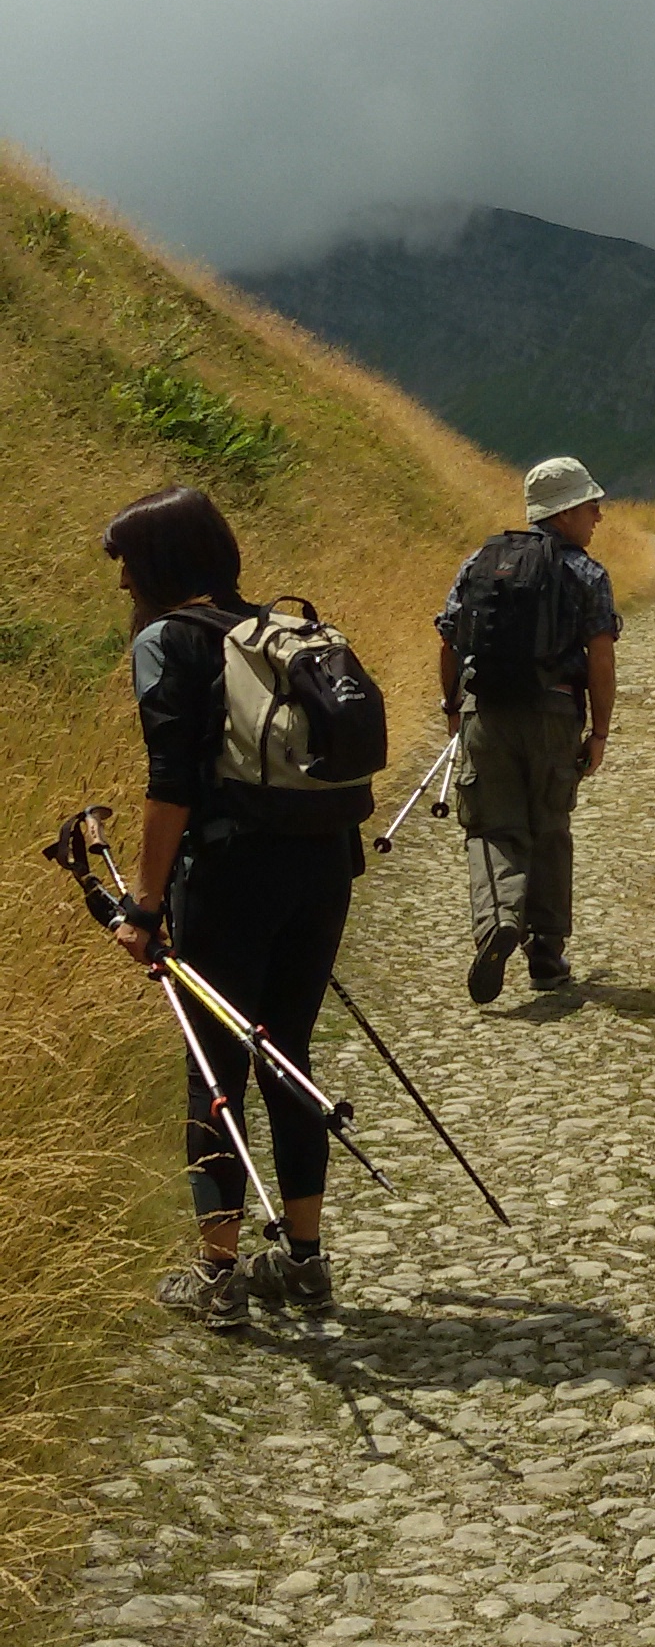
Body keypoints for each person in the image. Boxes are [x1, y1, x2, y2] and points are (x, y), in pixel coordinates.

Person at [103, 484, 362, 1332]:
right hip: (323, 866)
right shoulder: (273, 630)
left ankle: (217, 1274)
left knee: (213, 1072)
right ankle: (305, 1262)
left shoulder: (164, 641)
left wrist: (145, 905)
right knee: (288, 1054)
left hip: (228, 878)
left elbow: (170, 783)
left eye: (127, 568)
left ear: (157, 567)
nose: (121, 586)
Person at [439, 456, 621, 1001]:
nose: (598, 516)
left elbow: (449, 639)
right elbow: (601, 657)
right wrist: (600, 733)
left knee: (493, 827)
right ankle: (546, 952)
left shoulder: (481, 560)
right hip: (555, 712)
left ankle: (497, 920)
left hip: (485, 712)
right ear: (565, 511)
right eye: (592, 505)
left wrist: (452, 709)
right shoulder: (586, 573)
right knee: (550, 825)